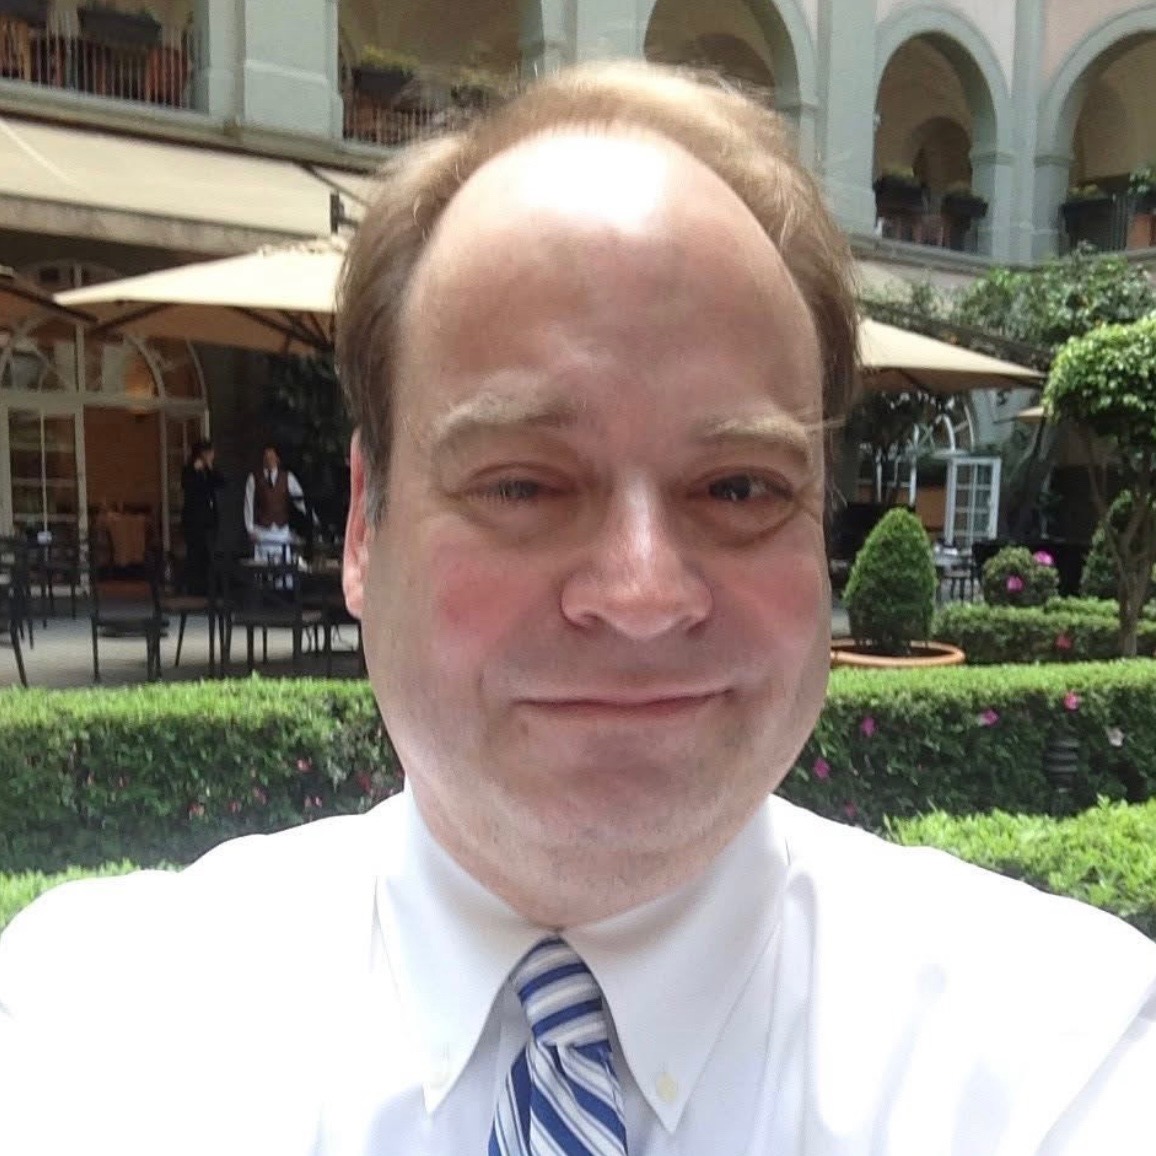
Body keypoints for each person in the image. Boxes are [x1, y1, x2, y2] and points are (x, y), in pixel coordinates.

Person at [1, 63, 1153, 1156]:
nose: (641, 593)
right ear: (363, 528)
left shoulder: (1063, 1058)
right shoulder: (86, 1032)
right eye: (521, 485)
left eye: (738, 488)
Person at [243, 442, 310, 564]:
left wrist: (311, 516)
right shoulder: (254, 478)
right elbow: (248, 504)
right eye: (266, 457)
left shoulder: (287, 477)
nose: (269, 461)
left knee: (283, 565)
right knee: (262, 566)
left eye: (272, 457)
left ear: (277, 459)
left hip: (281, 530)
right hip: (262, 530)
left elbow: (300, 500)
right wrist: (250, 529)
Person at [179, 437, 226, 594]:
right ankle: (194, 587)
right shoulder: (189, 470)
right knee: (195, 554)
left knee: (208, 555)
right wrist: (195, 470)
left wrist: (210, 468)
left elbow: (221, 482)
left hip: (209, 520)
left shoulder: (208, 470)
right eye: (209, 453)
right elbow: (188, 487)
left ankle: (208, 587)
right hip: (194, 520)